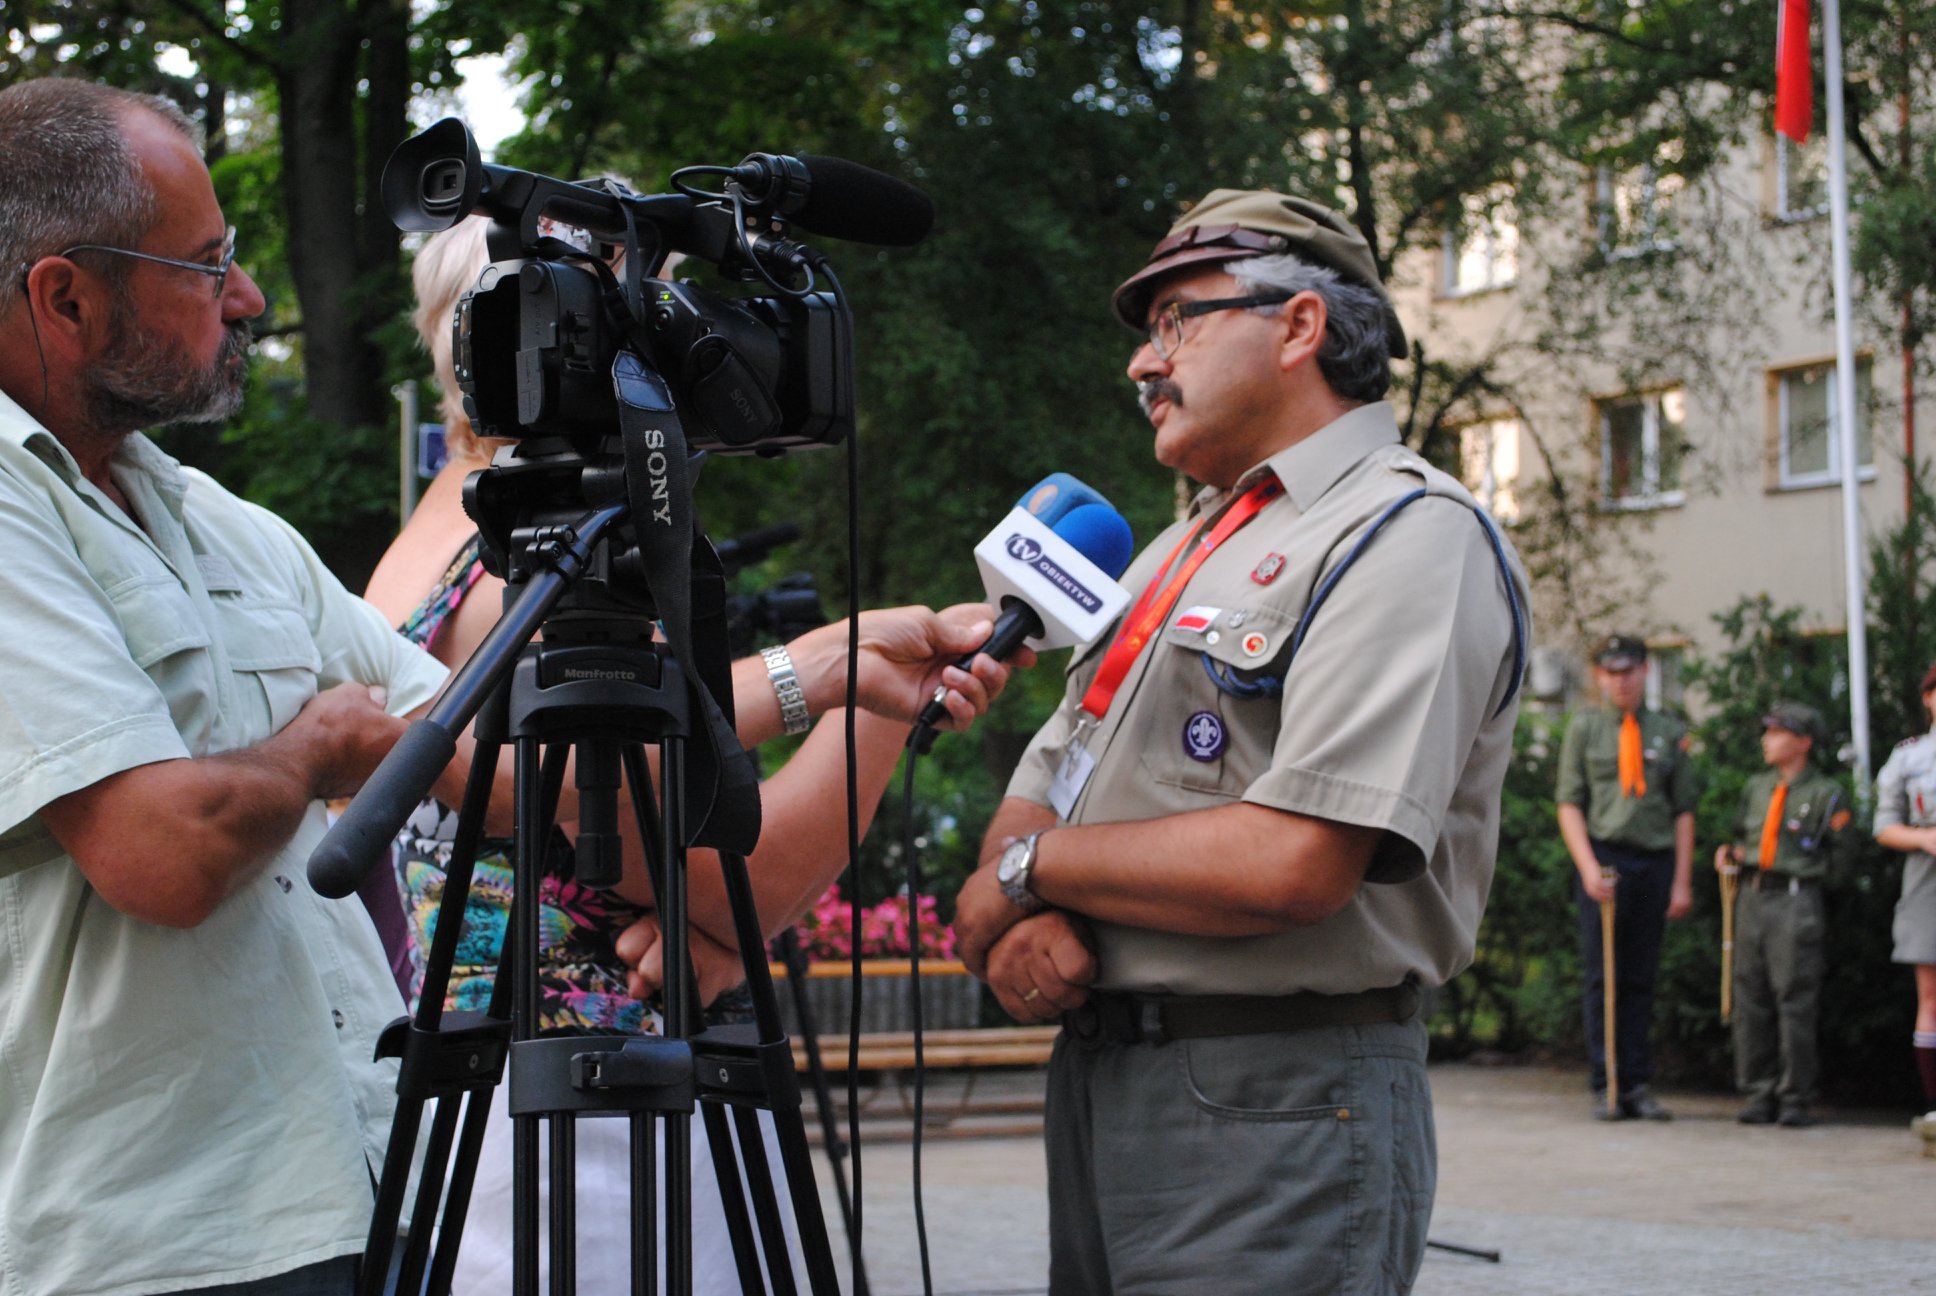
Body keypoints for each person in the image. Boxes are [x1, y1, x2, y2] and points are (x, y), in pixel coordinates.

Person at [361, 215, 1025, 1292]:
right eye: (642, 316)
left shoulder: (432, 545)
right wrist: (874, 696)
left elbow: (664, 875)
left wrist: (708, 929)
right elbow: (744, 883)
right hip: (594, 1138)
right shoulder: (553, 567)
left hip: (486, 1112)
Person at [951, 188, 1529, 1294]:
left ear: (1299, 327)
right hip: (1111, 1075)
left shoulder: (1406, 533)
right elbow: (1051, 774)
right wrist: (1031, 897)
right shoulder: (1174, 548)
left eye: (1178, 320)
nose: (1142, 364)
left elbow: (1295, 861)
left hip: (1279, 1094)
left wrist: (1029, 877)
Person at [0, 79, 464, 1294]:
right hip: (158, 1240)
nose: (249, 299)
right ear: (64, 296)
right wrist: (316, 746)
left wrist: (802, 685)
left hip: (356, 1182)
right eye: (207, 267)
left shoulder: (208, 515)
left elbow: (465, 747)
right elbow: (163, 855)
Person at [1555, 634, 1698, 1121]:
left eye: (1630, 670)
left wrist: (1681, 881)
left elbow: (1683, 812)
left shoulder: (1668, 729)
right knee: (1603, 977)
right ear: (1599, 676)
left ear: (1645, 672)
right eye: (1612, 672)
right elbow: (1570, 803)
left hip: (1653, 862)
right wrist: (1588, 867)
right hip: (1605, 860)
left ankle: (1637, 1082)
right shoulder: (1585, 728)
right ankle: (1606, 1082)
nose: (1622, 680)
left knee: (1640, 976)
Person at [1712, 702, 1853, 1128]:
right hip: (1752, 898)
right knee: (1749, 995)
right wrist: (1730, 855)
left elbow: (1844, 858)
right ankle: (1758, 1091)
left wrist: (1811, 880)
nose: (1766, 740)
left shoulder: (1825, 793)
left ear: (1804, 742)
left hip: (1795, 901)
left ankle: (1795, 1095)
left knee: (1794, 997)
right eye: (1767, 731)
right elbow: (1743, 836)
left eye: (1777, 732)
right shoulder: (1757, 787)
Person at [1875, 663, 1936, 1131]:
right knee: (1930, 991)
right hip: (1927, 875)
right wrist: (1924, 839)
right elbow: (1884, 825)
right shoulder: (1911, 758)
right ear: (1928, 698)